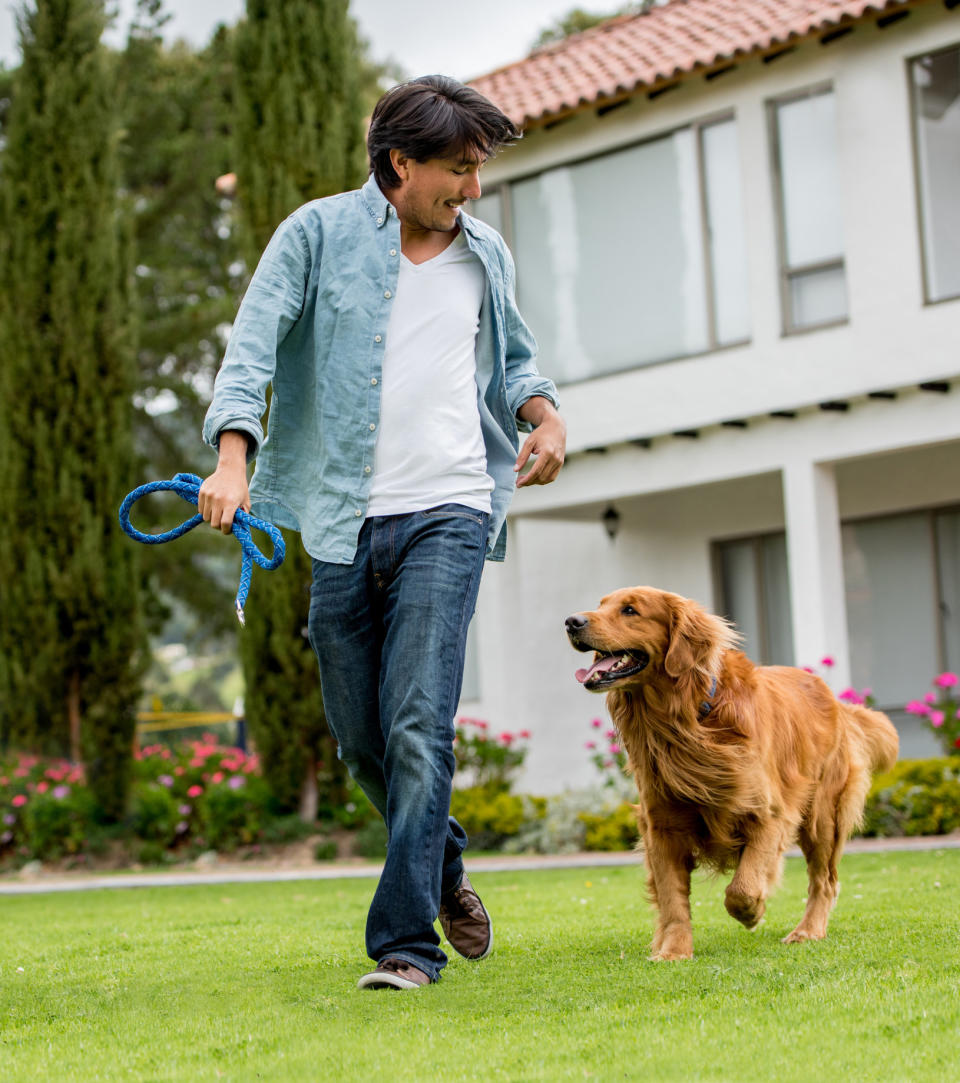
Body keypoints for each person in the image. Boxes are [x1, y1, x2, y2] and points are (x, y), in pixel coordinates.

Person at [199, 75, 566, 990]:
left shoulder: (484, 253)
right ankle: (441, 864)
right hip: (340, 520)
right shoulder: (315, 235)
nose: (473, 190)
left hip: (450, 507)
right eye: (459, 170)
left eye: (479, 170)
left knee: (418, 723)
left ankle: (406, 944)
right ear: (401, 163)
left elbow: (514, 360)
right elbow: (250, 349)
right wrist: (233, 459)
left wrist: (546, 416)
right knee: (362, 738)